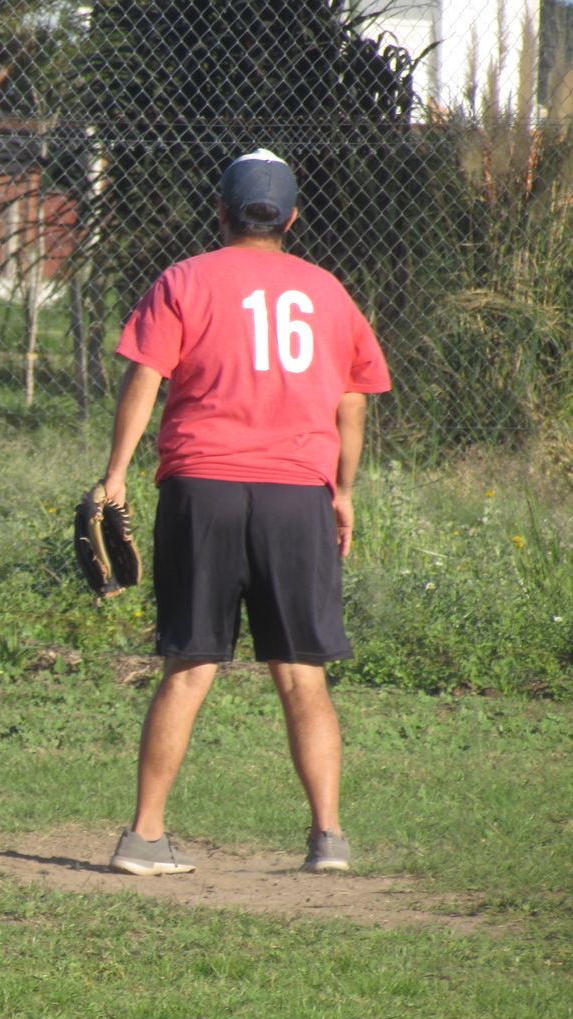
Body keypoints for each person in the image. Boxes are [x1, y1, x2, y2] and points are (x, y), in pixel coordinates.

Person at [99, 149, 392, 876]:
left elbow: (146, 378)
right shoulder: (328, 292)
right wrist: (343, 491)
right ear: (293, 218)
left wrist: (115, 475)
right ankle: (328, 836)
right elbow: (351, 402)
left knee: (191, 664)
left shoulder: (186, 278)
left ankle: (145, 834)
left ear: (222, 212)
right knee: (302, 672)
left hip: (203, 486)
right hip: (298, 493)